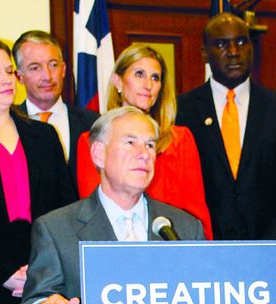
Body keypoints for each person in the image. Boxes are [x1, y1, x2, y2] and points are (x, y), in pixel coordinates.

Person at [22, 106, 206, 304]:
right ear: (99, 154)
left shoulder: (185, 229)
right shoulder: (56, 230)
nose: (144, 154)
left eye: (150, 145)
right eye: (130, 142)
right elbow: (38, 297)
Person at [176, 13, 276, 240]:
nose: (234, 52)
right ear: (204, 53)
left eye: (241, 42)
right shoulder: (181, 112)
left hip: (273, 248)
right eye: (221, 44)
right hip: (202, 247)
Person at [0, 35, 76, 304]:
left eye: (9, 71)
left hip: (44, 281)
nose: (7, 80)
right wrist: (3, 273)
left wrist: (42, 271)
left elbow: (65, 210)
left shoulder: (44, 136)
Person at [76, 44, 213, 239]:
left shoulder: (180, 139)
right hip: (113, 246)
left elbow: (198, 214)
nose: (148, 85)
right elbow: (93, 211)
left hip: (170, 245)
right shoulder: (92, 141)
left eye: (155, 77)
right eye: (139, 74)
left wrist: (203, 259)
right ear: (118, 81)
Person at [12, 30, 99, 190]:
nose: (47, 76)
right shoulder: (8, 123)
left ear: (64, 69)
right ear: (19, 77)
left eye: (53, 65)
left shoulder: (93, 122)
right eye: (35, 68)